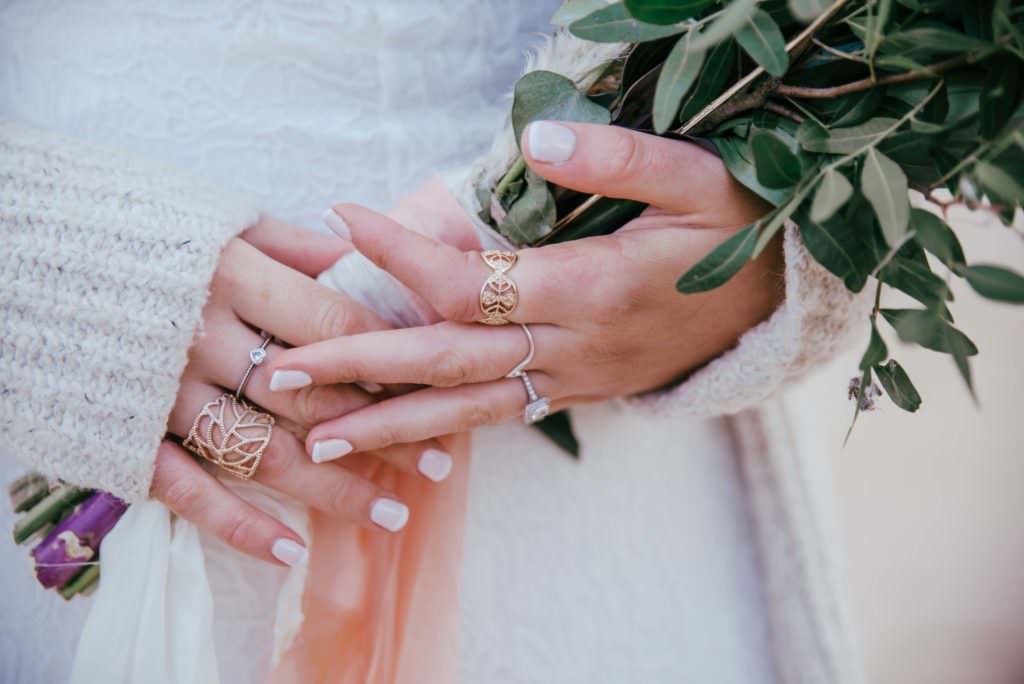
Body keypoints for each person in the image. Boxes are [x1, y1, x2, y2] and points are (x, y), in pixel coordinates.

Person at [0, 2, 866, 682]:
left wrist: (770, 254)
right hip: (67, 406)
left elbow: (878, 67)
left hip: (624, 469)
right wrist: (56, 275)